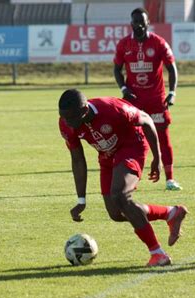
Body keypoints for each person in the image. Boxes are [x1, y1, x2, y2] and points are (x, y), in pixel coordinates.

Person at [58, 89, 188, 267]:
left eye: (71, 118)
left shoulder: (113, 109)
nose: (68, 123)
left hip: (132, 147)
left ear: (84, 110)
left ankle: (157, 253)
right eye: (64, 117)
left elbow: (147, 120)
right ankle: (171, 213)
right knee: (116, 213)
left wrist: (157, 157)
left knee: (120, 195)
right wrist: (81, 199)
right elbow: (77, 159)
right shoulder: (66, 123)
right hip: (107, 156)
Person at [113, 8, 182, 191]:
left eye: (142, 22)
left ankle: (170, 179)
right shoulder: (124, 45)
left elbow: (172, 68)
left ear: (148, 23)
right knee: (132, 139)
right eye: (136, 22)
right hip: (134, 102)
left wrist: (172, 92)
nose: (139, 26)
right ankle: (132, 179)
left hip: (156, 100)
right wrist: (124, 88)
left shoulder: (158, 43)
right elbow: (116, 69)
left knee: (162, 136)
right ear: (131, 24)